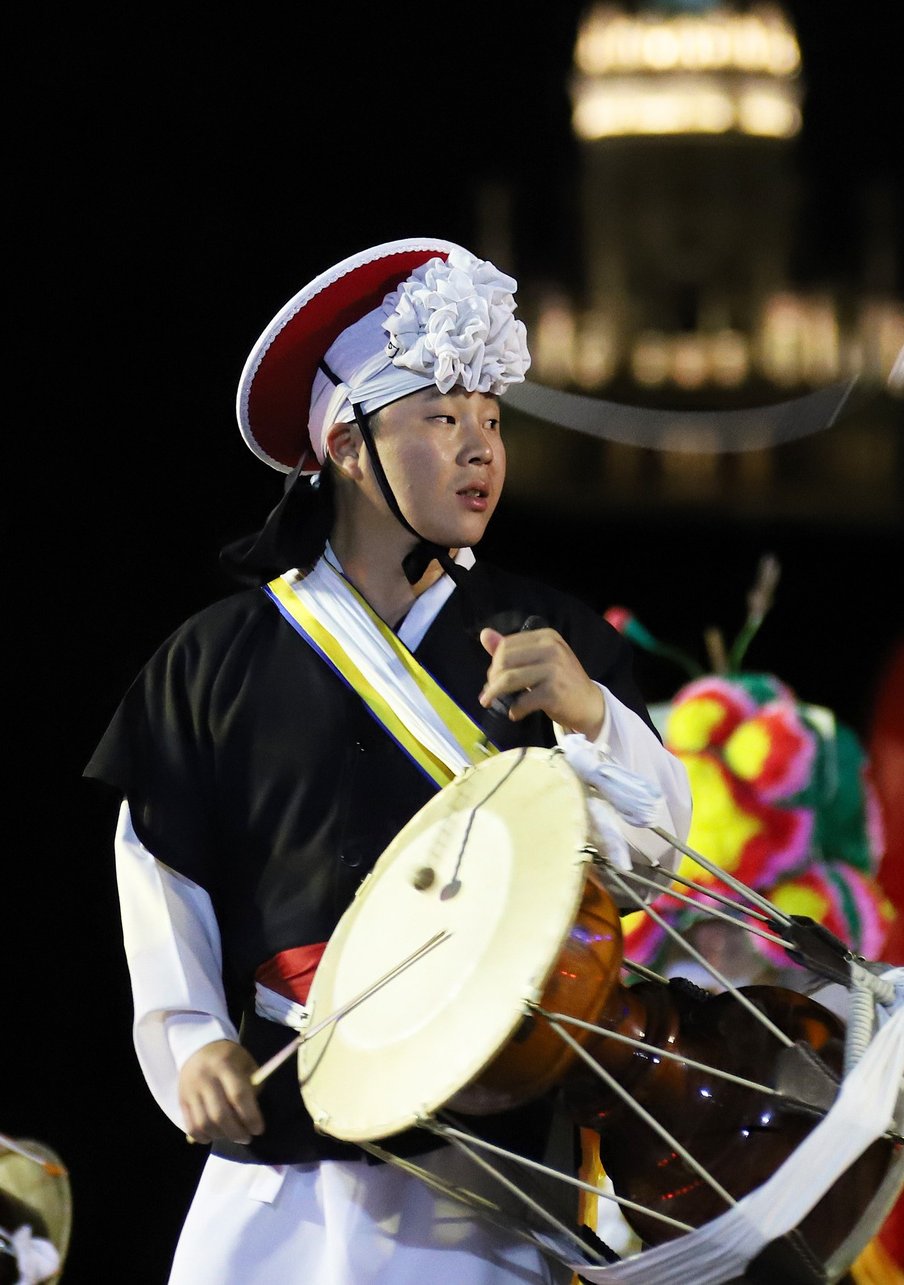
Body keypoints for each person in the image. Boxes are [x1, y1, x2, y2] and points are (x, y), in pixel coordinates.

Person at [88, 240, 694, 1283]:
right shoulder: (215, 659)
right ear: (346, 445)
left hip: (495, 1161)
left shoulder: (551, 636)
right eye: (440, 418)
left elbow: (646, 865)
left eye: (492, 421)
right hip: (287, 1157)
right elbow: (160, 866)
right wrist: (190, 1043)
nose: (479, 450)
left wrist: (592, 713)